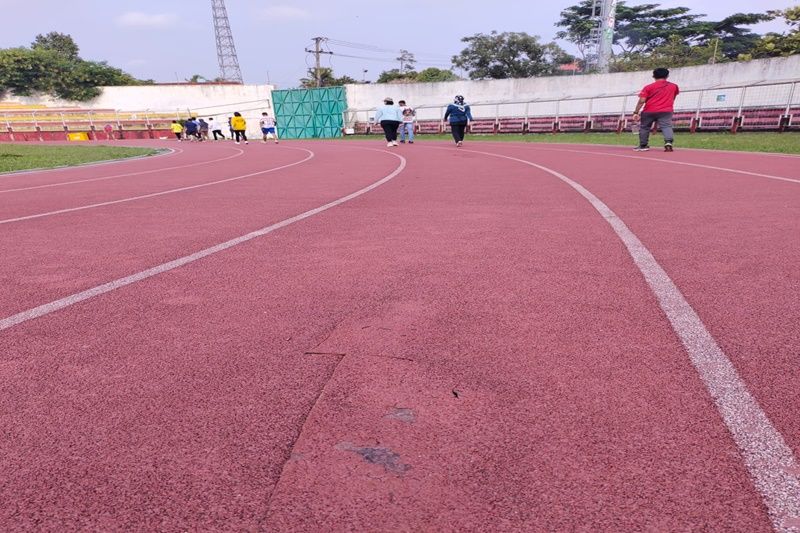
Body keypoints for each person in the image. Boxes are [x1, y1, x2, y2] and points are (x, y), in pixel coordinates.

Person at [632, 67, 680, 152]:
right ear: (667, 76)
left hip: (649, 110)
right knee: (666, 126)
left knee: (645, 127)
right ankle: (668, 142)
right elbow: (673, 97)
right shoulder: (674, 86)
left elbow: (642, 100)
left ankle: (643, 145)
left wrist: (636, 112)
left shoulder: (648, 87)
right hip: (666, 110)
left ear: (653, 76)